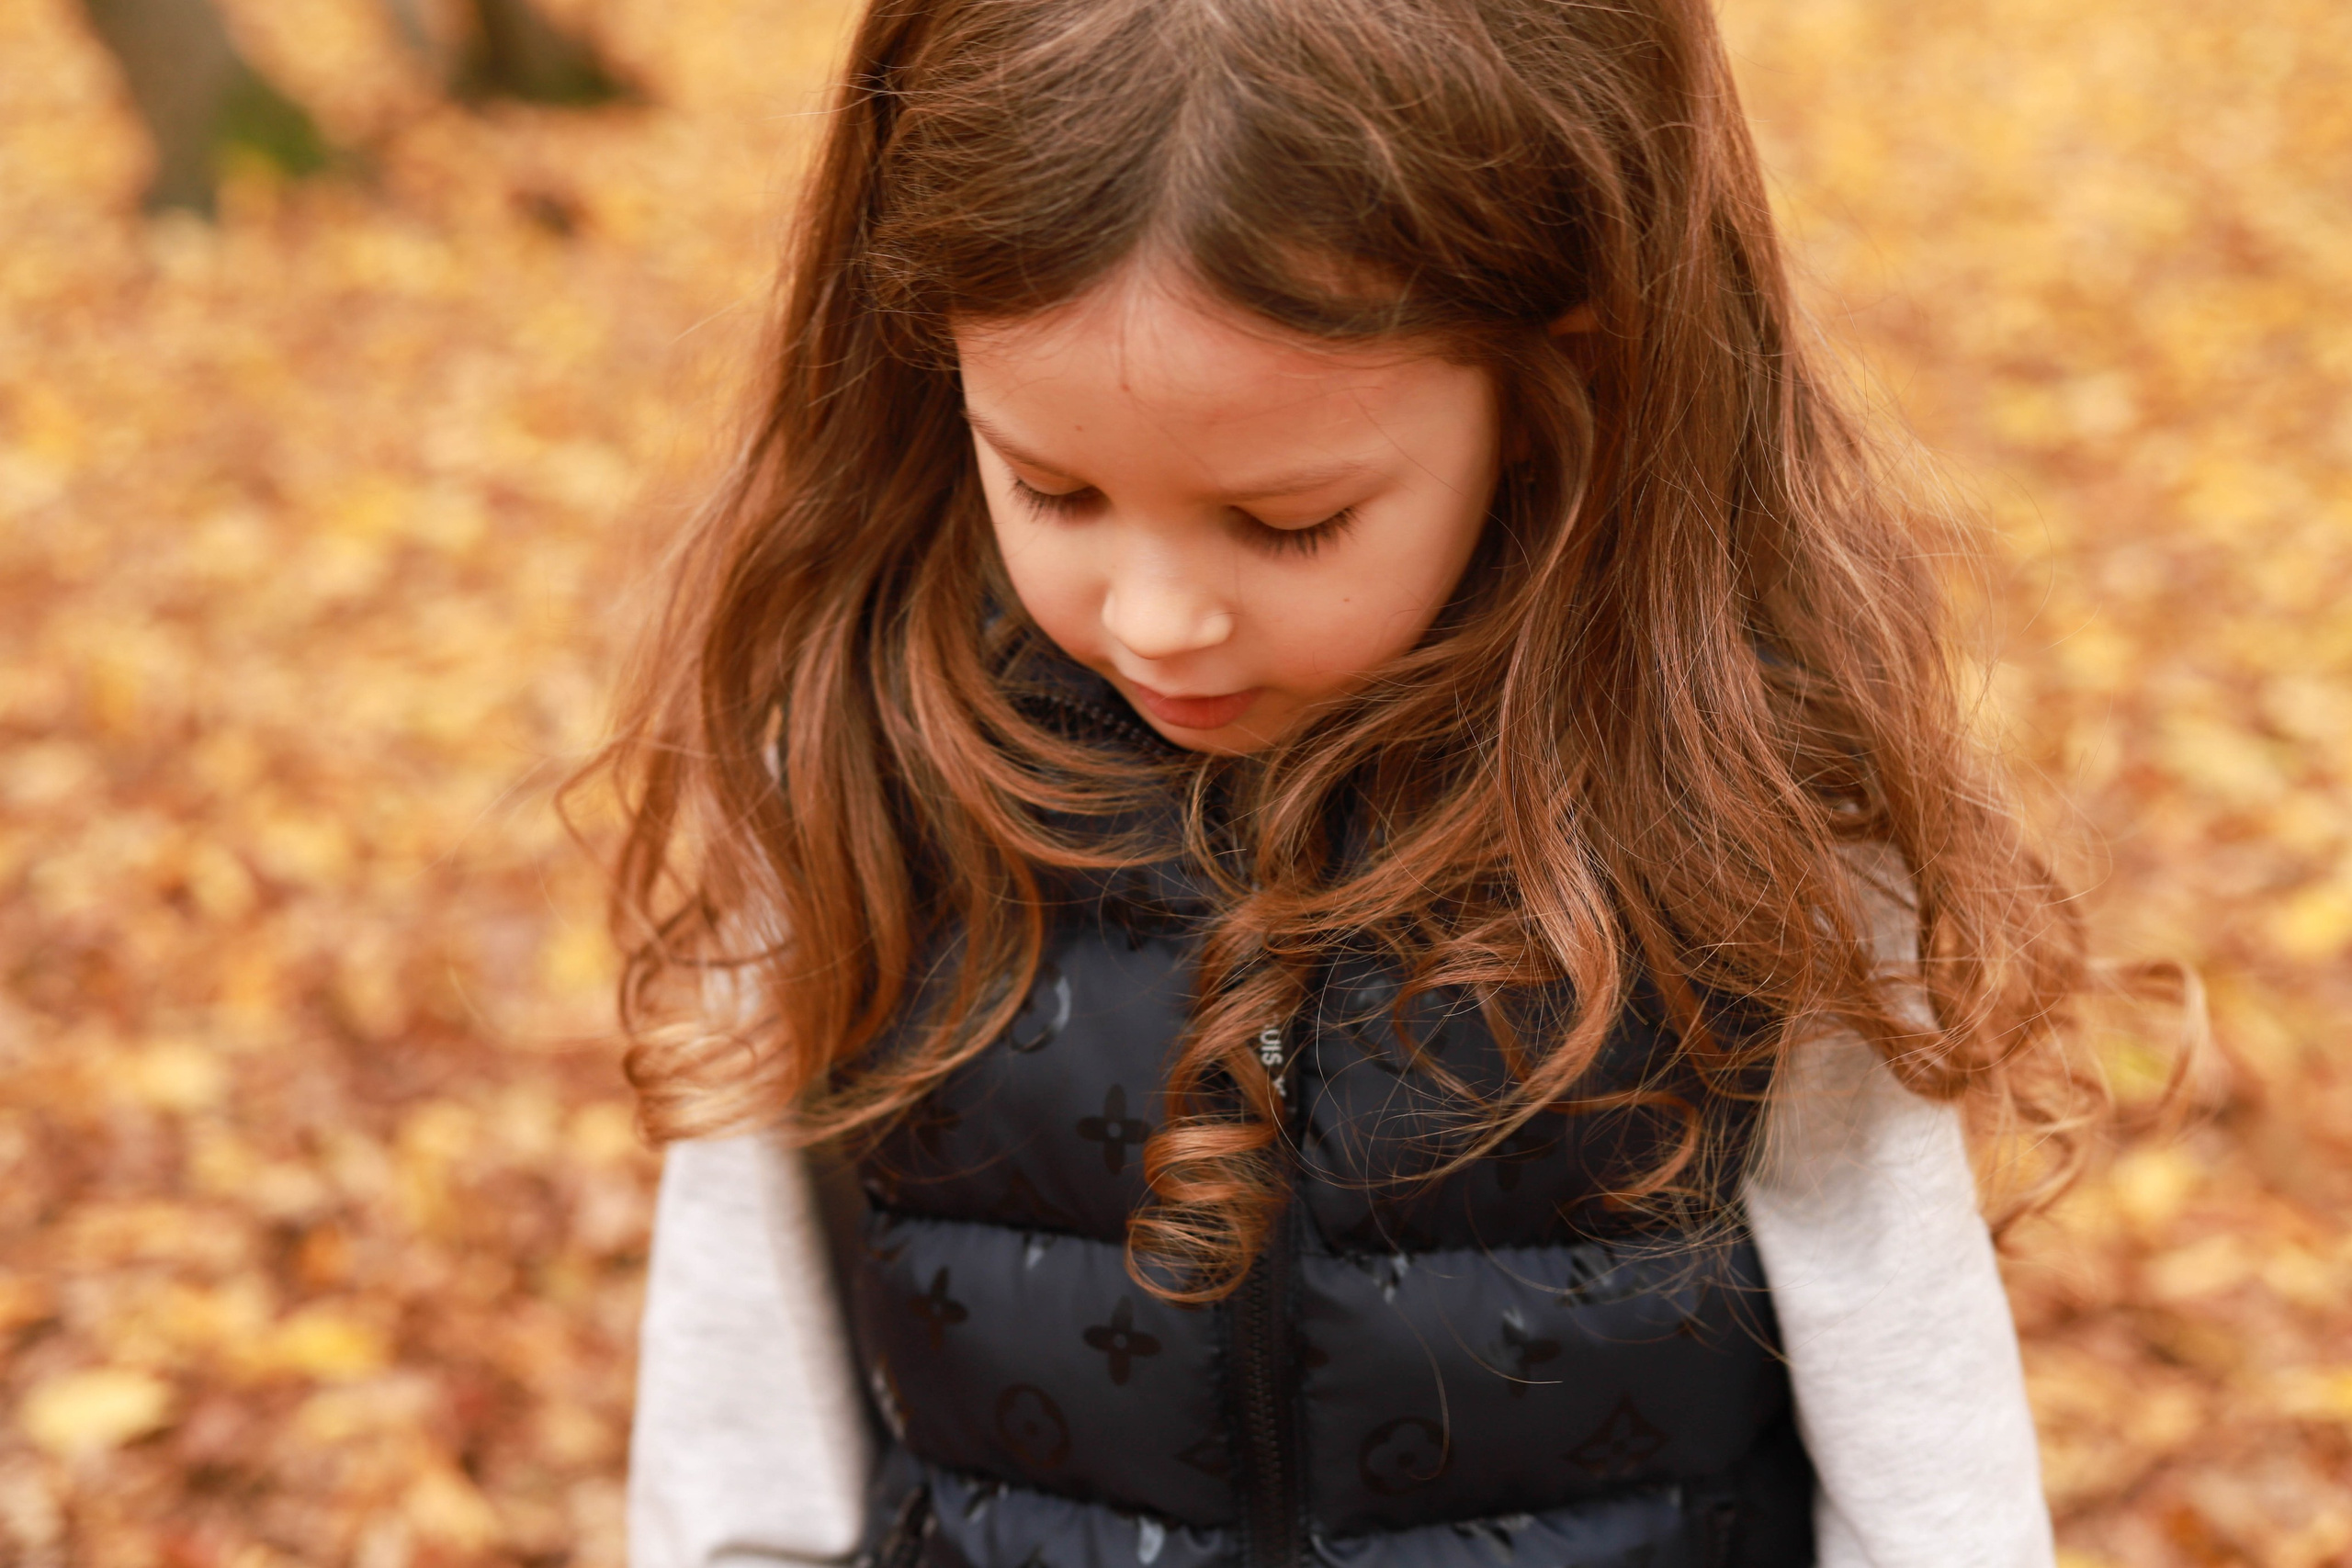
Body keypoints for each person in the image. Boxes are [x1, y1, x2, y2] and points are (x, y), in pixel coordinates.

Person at [599, 0, 2092, 1562]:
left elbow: (1922, 1445)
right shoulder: (866, 762)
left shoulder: (1736, 817)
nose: (1158, 617)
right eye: (1053, 487)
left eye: (1286, 520)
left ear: (1557, 381)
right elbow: (744, 1426)